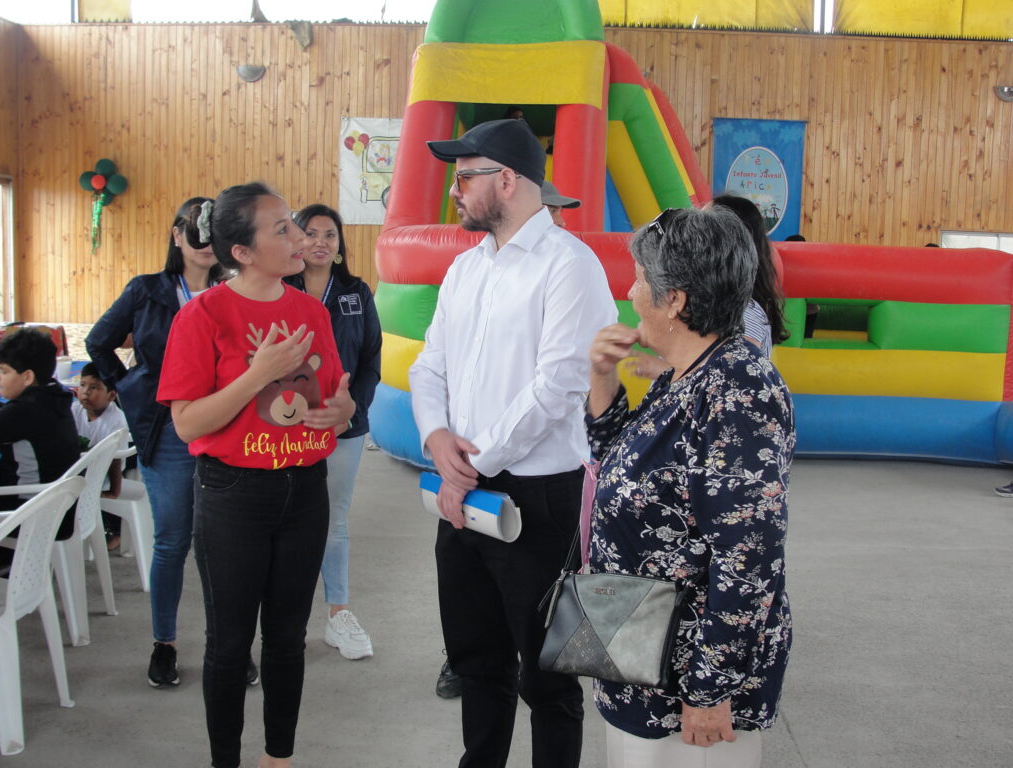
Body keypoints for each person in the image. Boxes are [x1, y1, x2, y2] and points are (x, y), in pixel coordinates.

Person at [410, 118, 617, 768]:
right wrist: (436, 435)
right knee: (478, 662)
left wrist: (469, 463)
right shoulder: (465, 269)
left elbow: (558, 385)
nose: (455, 193)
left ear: (507, 180)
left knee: (548, 677)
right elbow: (428, 365)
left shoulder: (569, 266)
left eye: (464, 177)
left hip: (537, 500)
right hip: (461, 492)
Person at [586, 205, 794, 768]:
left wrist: (710, 691)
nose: (631, 293)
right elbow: (621, 465)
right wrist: (601, 376)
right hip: (640, 647)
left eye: (640, 279)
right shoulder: (686, 373)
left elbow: (747, 558)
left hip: (685, 684)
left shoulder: (737, 389)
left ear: (674, 298)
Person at [157, 182, 354, 768]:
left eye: (295, 225)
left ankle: (278, 757)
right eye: (283, 230)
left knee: (287, 638)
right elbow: (189, 424)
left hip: (304, 491)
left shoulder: (310, 311)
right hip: (233, 496)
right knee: (228, 643)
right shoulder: (202, 316)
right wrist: (257, 372)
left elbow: (335, 408)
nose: (300, 239)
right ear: (241, 252)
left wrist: (339, 413)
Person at [86, 196, 238, 689]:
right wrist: (129, 389)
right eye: (194, 235)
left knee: (222, 543)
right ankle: (164, 644)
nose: (202, 246)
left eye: (211, 237)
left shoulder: (235, 292)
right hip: (167, 430)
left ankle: (229, 646)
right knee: (172, 539)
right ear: (176, 236)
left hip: (225, 427)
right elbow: (98, 341)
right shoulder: (146, 291)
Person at [285, 203, 381, 660]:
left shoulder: (355, 293)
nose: (320, 241)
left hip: (344, 428)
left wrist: (349, 411)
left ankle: (338, 615)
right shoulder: (278, 289)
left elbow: (370, 360)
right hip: (287, 429)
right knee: (287, 521)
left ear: (340, 245)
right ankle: (287, 619)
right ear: (295, 239)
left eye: (330, 234)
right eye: (311, 232)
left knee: (334, 520)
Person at [629, 194, 788, 379]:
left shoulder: (744, 312)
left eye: (703, 223)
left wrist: (660, 368)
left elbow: (736, 372)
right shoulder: (714, 305)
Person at [0, 328, 80, 539]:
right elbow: (6, 415)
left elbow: (3, 421)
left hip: (26, 514)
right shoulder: (52, 395)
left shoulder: (28, 411)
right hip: (54, 509)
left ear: (28, 376)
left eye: (3, 371)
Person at [71, 362, 129, 550]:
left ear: (111, 395)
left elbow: (115, 460)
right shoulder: (75, 410)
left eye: (94, 387)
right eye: (82, 385)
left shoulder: (116, 421)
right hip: (80, 470)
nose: (86, 392)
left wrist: (114, 491)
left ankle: (111, 530)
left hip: (103, 476)